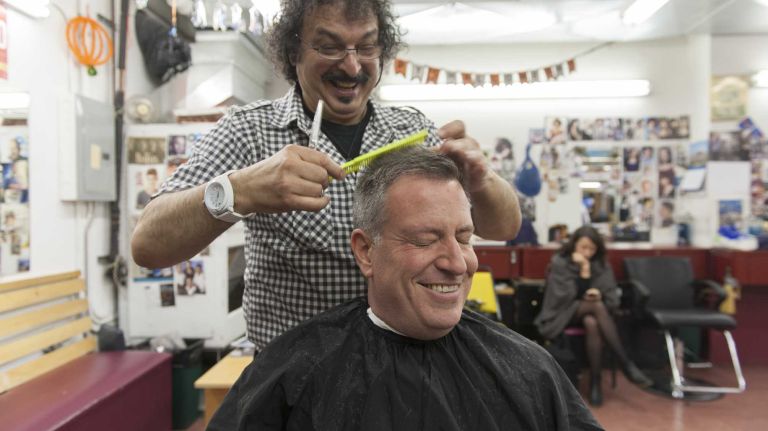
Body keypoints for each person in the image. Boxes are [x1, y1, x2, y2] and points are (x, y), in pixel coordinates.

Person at [131, 0, 521, 352]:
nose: (351, 66)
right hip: (294, 378)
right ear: (292, 53)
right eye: (330, 47)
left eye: (366, 47)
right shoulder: (248, 131)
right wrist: (237, 191)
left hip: (403, 368)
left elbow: (504, 225)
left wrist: (482, 180)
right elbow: (148, 245)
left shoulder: (411, 131)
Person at [207, 146, 601, 431]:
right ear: (366, 252)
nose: (457, 262)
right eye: (426, 239)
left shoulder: (529, 370)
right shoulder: (293, 374)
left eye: (464, 238)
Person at [534, 225, 652, 406]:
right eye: (583, 247)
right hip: (560, 314)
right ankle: (625, 363)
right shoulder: (560, 261)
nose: (587, 252)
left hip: (591, 313)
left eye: (592, 249)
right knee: (595, 307)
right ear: (574, 245)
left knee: (592, 322)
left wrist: (600, 293)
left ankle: (596, 382)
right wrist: (584, 270)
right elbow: (562, 297)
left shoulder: (601, 264)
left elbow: (612, 298)